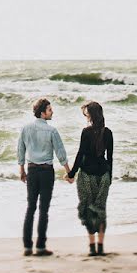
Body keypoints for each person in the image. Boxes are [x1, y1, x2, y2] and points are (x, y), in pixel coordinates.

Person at [17, 98, 71, 257]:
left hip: (32, 171)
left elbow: (20, 150)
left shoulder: (25, 128)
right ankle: (40, 246)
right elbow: (61, 154)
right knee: (44, 209)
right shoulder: (52, 131)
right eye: (49, 109)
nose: (52, 111)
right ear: (42, 113)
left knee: (30, 207)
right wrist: (69, 172)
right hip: (47, 172)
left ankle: (27, 247)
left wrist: (21, 169)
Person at [65, 100, 113, 256]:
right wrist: (109, 178)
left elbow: (81, 155)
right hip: (103, 175)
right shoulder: (108, 132)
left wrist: (71, 174)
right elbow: (110, 158)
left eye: (86, 113)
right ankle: (100, 247)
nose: (85, 116)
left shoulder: (86, 132)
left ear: (91, 115)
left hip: (87, 175)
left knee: (88, 209)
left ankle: (92, 247)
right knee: (100, 210)